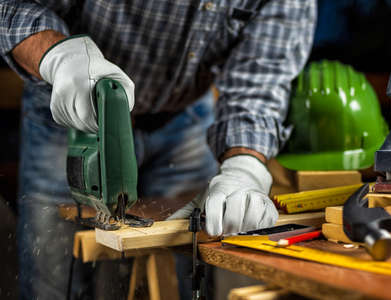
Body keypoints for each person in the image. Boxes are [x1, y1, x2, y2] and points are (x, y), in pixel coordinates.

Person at [0, 0, 317, 299]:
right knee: (52, 279)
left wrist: (244, 167)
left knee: (188, 264)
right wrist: (59, 56)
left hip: (185, 118)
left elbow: (259, 80)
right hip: (71, 106)